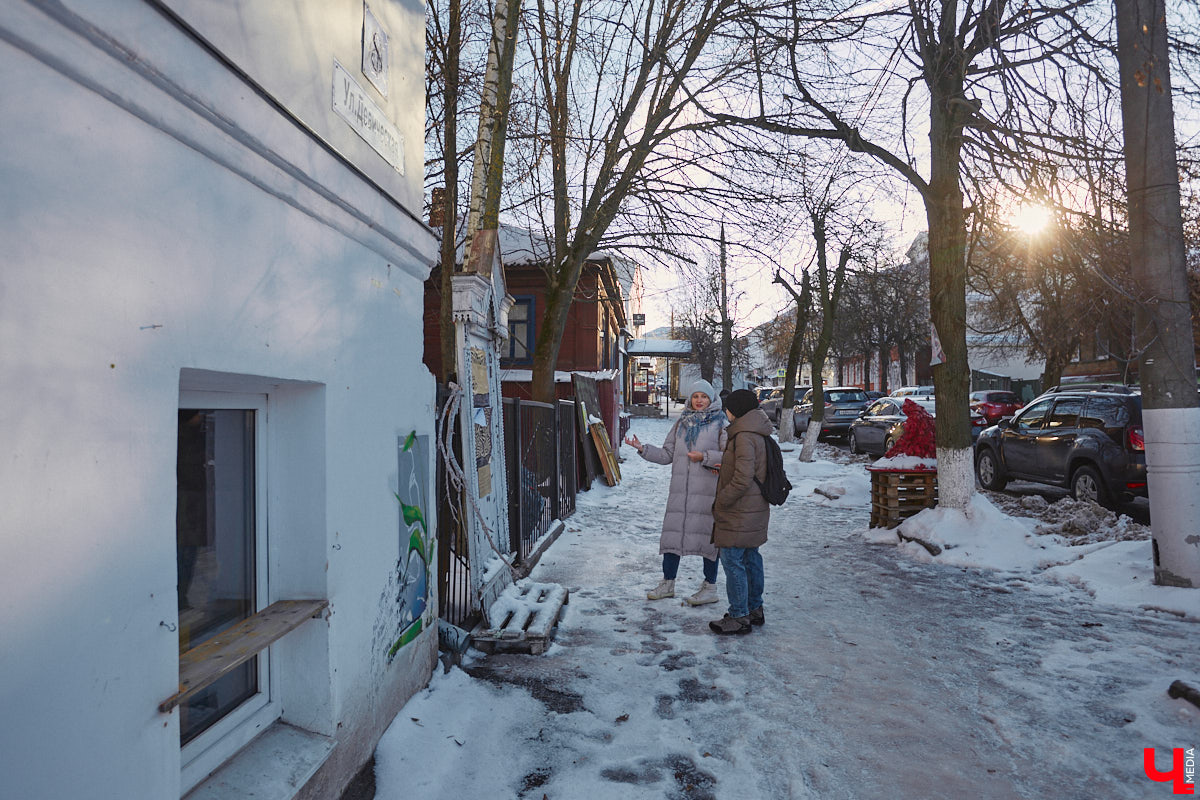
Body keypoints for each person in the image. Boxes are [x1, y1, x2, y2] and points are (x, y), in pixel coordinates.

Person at [624, 379, 726, 606]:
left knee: (708, 541)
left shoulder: (721, 423)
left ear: (711, 399)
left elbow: (729, 456)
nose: (699, 401)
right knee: (673, 537)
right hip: (680, 494)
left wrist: (705, 457)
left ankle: (710, 587)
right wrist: (643, 449)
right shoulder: (682, 423)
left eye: (704, 397)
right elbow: (667, 454)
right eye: (696, 396)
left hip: (707, 494)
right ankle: (667, 584)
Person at [708, 388, 771, 635]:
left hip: (740, 510)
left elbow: (743, 479)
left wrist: (722, 500)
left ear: (737, 410)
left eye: (728, 408)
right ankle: (754, 608)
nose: (726, 411)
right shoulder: (756, 431)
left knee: (733, 560)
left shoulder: (743, 436)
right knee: (751, 557)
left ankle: (739, 616)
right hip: (753, 508)